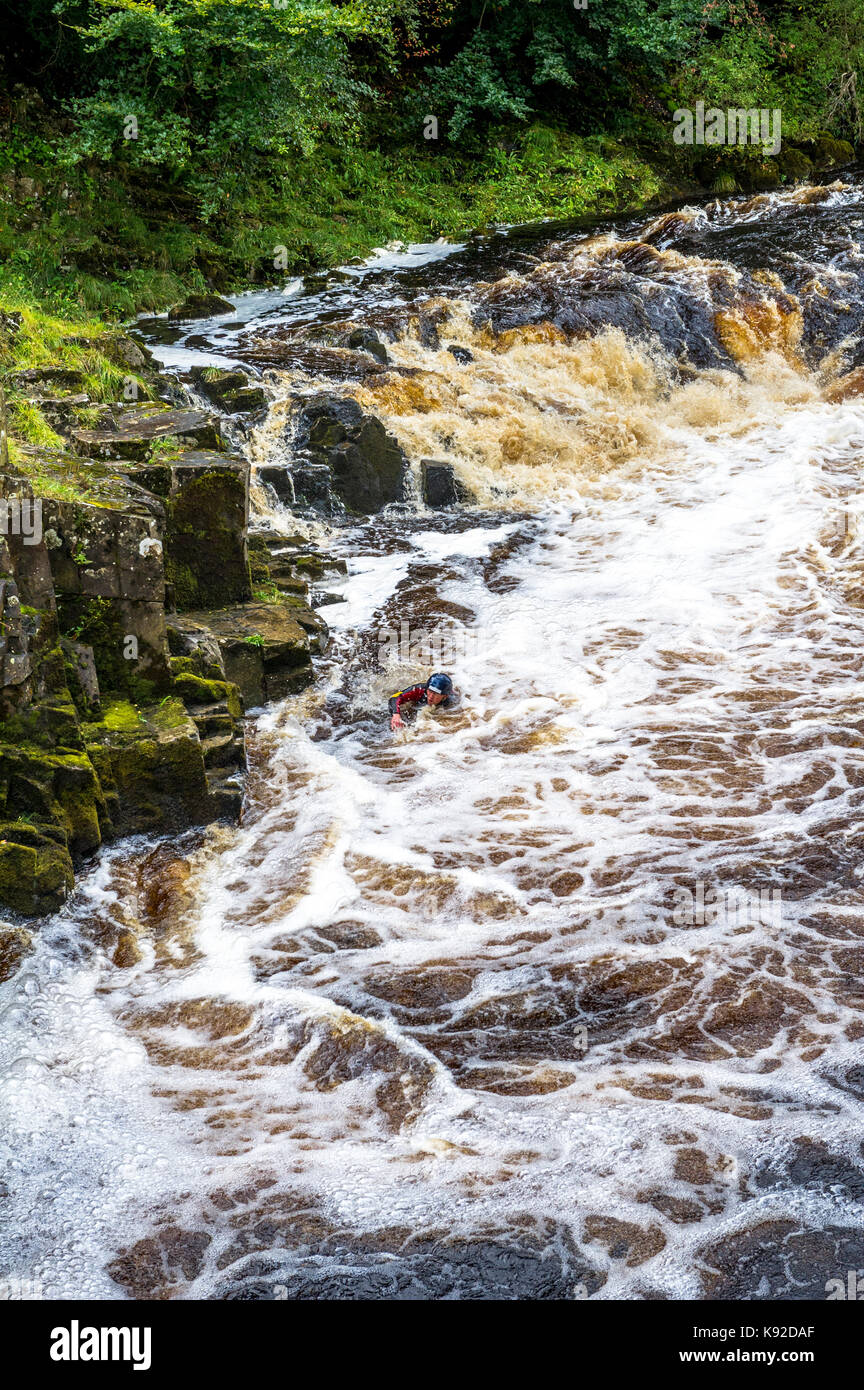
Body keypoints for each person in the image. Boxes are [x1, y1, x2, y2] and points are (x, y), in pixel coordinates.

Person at [389, 672, 454, 730]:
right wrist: (396, 714)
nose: (431, 696)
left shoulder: (451, 702)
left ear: (445, 696)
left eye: (435, 694)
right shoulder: (419, 690)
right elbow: (394, 698)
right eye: (430, 691)